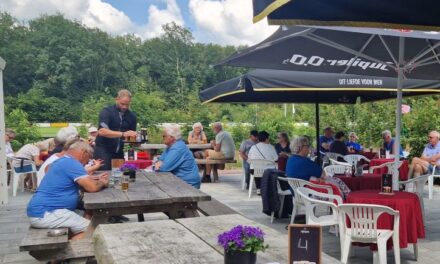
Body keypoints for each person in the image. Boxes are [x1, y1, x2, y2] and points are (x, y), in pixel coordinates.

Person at [27, 142, 108, 240]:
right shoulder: (72, 163)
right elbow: (92, 187)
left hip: (44, 210)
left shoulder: (62, 161)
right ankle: (65, 253)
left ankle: (76, 245)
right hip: (47, 212)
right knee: (97, 230)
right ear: (83, 152)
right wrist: (103, 183)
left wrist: (92, 178)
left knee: (88, 214)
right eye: (89, 157)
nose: (88, 162)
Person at [286, 136, 351, 198]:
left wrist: (315, 178)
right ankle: (345, 201)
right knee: (335, 182)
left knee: (332, 181)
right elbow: (323, 174)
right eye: (307, 146)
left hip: (297, 194)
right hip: (309, 195)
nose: (309, 148)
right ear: (301, 147)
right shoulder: (304, 161)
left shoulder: (290, 160)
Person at [94, 89, 137, 170]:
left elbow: (131, 138)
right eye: (122, 104)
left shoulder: (132, 116)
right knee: (104, 175)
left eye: (127, 105)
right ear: (116, 99)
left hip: (119, 152)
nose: (124, 107)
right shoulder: (107, 111)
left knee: (120, 176)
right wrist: (123, 134)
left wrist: (136, 141)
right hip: (103, 150)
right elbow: (102, 131)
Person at [37, 137, 103, 186]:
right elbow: (91, 186)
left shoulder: (60, 157)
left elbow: (78, 173)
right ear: (80, 150)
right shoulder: (64, 160)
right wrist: (96, 167)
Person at [154, 124, 201, 189]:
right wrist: (159, 163)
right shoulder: (170, 146)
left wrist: (160, 164)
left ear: (172, 137)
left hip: (188, 184)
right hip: (178, 181)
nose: (162, 138)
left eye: (164, 136)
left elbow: (163, 169)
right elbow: (160, 160)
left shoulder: (178, 148)